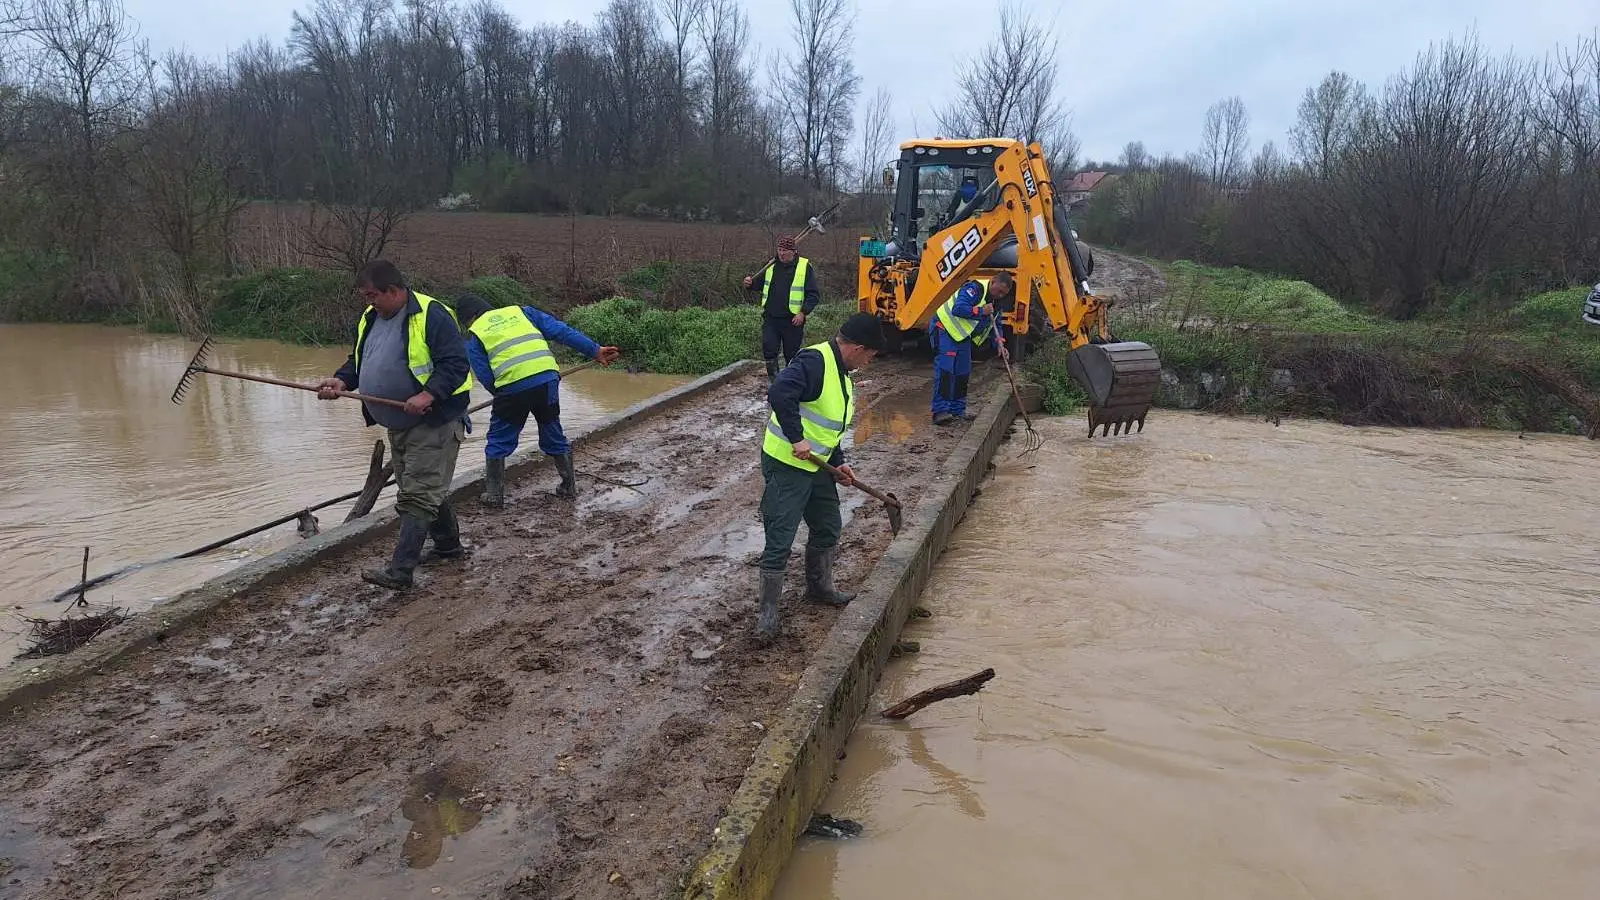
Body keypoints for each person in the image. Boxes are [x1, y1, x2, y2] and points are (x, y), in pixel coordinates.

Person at [318, 260, 473, 590]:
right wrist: (343, 381)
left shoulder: (431, 315)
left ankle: (400, 572)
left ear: (394, 290)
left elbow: (456, 364)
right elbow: (360, 359)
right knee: (423, 486)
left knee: (418, 493)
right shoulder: (371, 317)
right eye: (364, 295)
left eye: (372, 294)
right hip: (398, 423)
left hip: (434, 420)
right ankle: (448, 547)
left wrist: (429, 394)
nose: (368, 301)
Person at [754, 312, 887, 644]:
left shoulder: (843, 374)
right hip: (788, 465)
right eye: (871, 355)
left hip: (818, 467)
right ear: (857, 348)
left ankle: (819, 588)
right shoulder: (814, 361)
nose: (870, 362)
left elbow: (828, 427)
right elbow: (779, 393)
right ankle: (767, 616)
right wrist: (797, 438)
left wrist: (839, 462)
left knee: (828, 525)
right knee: (780, 540)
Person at [452, 292, 622, 505]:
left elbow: (484, 373)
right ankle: (569, 486)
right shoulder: (522, 312)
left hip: (512, 387)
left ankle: (494, 495)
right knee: (552, 430)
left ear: (468, 319)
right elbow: (561, 331)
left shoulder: (473, 334)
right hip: (547, 379)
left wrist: (501, 396)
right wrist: (595, 350)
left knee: (498, 440)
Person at [931, 271, 1015, 426]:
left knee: (963, 372)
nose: (1000, 295)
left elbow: (996, 325)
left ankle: (957, 410)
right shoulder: (975, 288)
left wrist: (1000, 344)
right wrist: (981, 311)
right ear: (993, 280)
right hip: (944, 329)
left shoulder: (997, 304)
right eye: (999, 291)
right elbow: (958, 308)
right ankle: (940, 411)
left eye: (1004, 293)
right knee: (946, 371)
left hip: (962, 336)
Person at [743, 235, 821, 382]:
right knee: (769, 348)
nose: (781, 254)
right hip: (771, 318)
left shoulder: (804, 268)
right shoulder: (771, 265)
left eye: (785, 251)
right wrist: (749, 284)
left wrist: (803, 312)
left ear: (794, 251)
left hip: (792, 320)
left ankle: (791, 382)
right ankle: (774, 382)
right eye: (779, 250)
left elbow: (813, 295)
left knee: (791, 354)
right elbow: (758, 284)